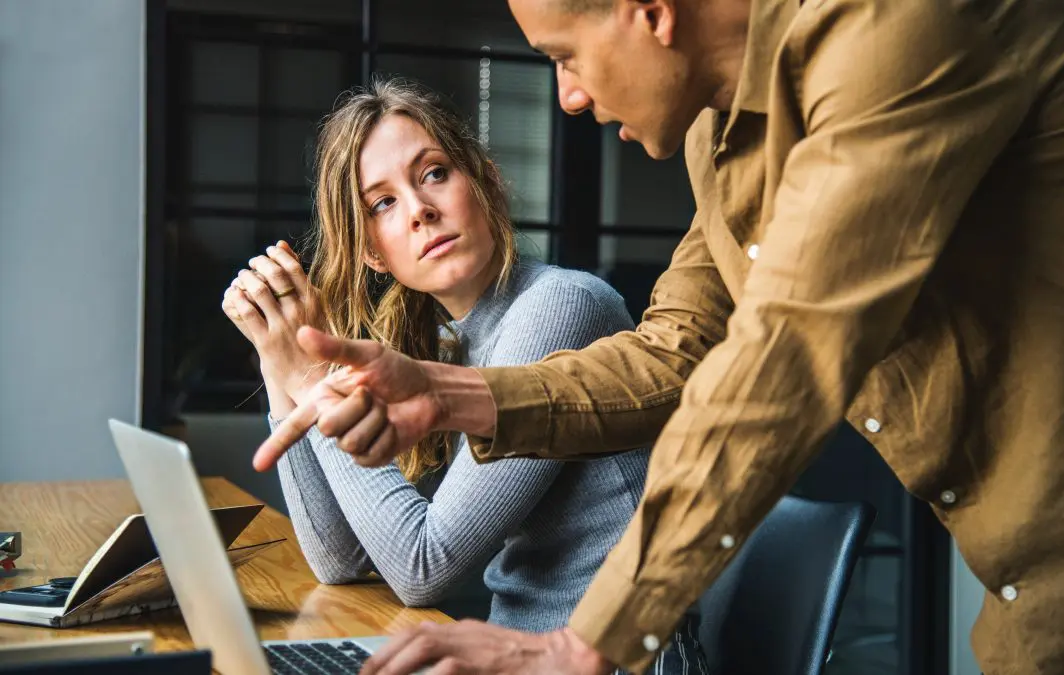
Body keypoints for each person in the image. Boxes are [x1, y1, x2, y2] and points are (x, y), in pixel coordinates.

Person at [258, 0, 1064, 673]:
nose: (569, 98)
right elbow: (672, 354)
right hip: (1027, 589)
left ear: (647, 12)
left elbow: (784, 356)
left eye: (564, 56)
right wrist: (441, 394)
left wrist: (586, 643)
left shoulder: (894, 29)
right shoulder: (718, 137)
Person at [222, 79, 713, 674]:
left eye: (433, 174)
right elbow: (340, 560)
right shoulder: (451, 343)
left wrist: (314, 376)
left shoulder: (562, 306)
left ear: (485, 181)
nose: (420, 211)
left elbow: (421, 567)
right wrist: (282, 362)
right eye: (383, 203)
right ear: (374, 252)